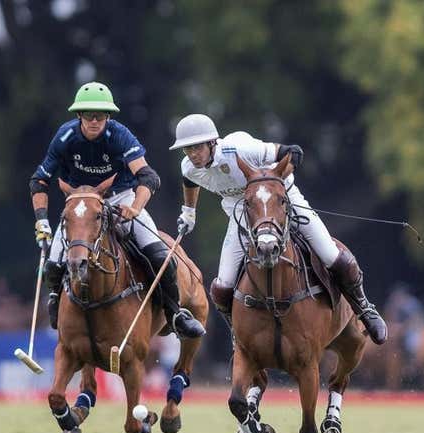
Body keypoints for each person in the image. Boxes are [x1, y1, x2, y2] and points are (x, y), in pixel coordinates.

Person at [168, 114, 387, 344]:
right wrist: (189, 212)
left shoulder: (240, 149)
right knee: (222, 287)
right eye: (187, 149)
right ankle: (239, 335)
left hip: (283, 200)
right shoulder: (189, 167)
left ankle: (364, 307)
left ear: (212, 142)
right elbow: (190, 181)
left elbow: (293, 152)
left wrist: (275, 183)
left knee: (332, 255)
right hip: (244, 214)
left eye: (197, 147)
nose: (192, 154)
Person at [29, 82, 205, 338]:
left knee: (160, 255)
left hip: (120, 200)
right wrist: (42, 221)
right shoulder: (65, 137)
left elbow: (148, 177)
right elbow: (39, 180)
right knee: (54, 264)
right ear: (79, 115)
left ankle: (174, 313)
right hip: (82, 207)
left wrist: (135, 208)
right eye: (88, 114)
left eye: (100, 115)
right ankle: (56, 308)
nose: (94, 120)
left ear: (108, 116)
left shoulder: (119, 135)